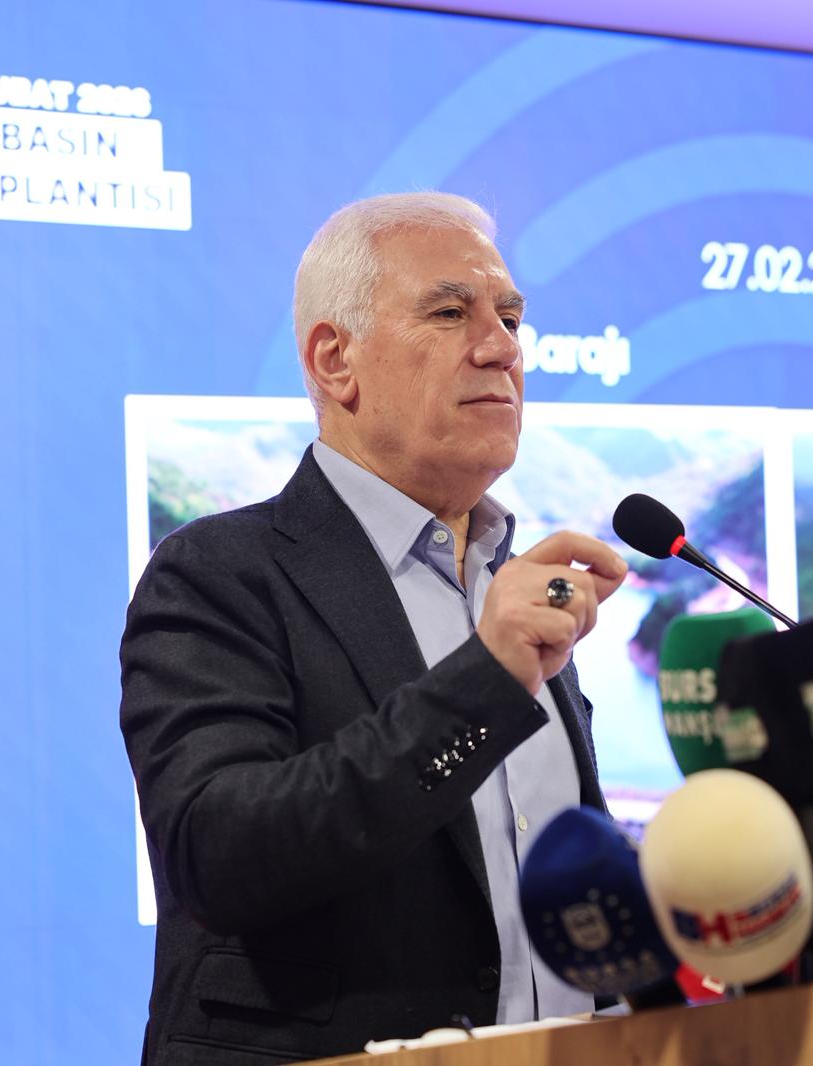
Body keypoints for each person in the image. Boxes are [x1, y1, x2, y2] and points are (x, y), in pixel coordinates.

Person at [120, 192, 628, 1065]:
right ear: (335, 359)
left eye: (510, 318)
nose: (502, 347)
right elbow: (221, 855)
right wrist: (485, 681)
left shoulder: (508, 582)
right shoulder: (219, 573)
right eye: (450, 313)